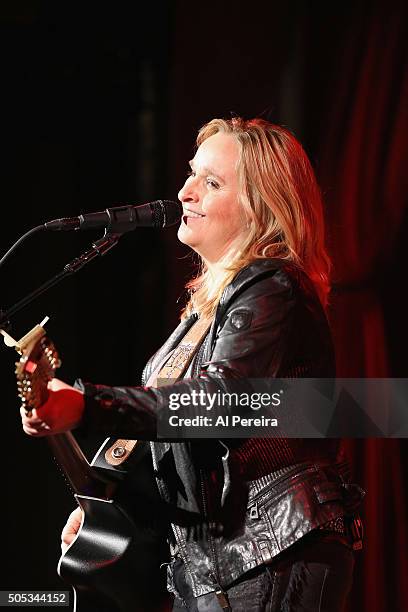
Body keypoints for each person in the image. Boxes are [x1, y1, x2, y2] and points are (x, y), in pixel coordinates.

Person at [21, 117, 363, 611]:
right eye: (190, 174)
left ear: (261, 207)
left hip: (271, 552)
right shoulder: (203, 315)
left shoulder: (273, 286)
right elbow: (185, 449)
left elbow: (219, 404)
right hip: (216, 567)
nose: (184, 192)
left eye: (212, 182)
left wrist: (85, 404)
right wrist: (112, 514)